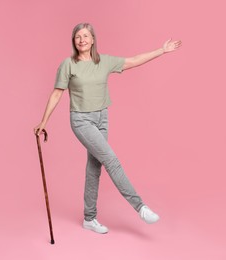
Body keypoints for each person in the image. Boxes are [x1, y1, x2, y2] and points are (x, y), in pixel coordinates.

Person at [34, 22, 182, 234]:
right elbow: (57, 93)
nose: (82, 39)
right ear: (74, 42)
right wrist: (43, 122)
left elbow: (133, 60)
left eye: (85, 36)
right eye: (77, 37)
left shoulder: (104, 62)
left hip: (102, 117)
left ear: (93, 39)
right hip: (81, 120)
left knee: (95, 167)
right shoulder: (68, 64)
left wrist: (162, 50)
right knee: (111, 160)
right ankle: (141, 207)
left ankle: (89, 218)